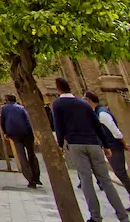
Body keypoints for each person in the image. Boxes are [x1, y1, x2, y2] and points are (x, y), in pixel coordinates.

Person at [53, 77, 129, 222]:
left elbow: (58, 126)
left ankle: (95, 217)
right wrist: (105, 146)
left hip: (76, 144)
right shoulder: (83, 103)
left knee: (87, 182)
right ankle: (122, 216)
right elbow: (97, 125)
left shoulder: (58, 104)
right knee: (106, 181)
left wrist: (60, 145)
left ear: (58, 89)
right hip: (93, 143)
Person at [85, 90, 130, 196]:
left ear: (88, 100)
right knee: (120, 173)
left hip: (114, 146)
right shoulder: (98, 112)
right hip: (111, 146)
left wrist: (124, 144)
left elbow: (115, 132)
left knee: (121, 173)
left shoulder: (102, 113)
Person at [0, 94, 41, 188]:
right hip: (26, 133)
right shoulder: (21, 108)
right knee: (32, 154)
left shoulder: (4, 109)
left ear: (7, 100)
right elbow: (27, 121)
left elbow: (3, 121)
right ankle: (36, 176)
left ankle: (30, 179)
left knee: (21, 156)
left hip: (14, 134)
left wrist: (5, 132)